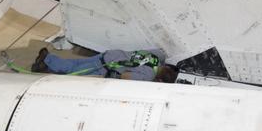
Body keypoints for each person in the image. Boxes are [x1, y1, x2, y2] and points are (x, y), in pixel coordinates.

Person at [32, 47, 178, 82]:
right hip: (106, 66)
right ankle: (46, 59)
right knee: (73, 70)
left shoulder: (156, 57)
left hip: (110, 54)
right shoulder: (148, 75)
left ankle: (47, 63)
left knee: (76, 63)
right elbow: (126, 76)